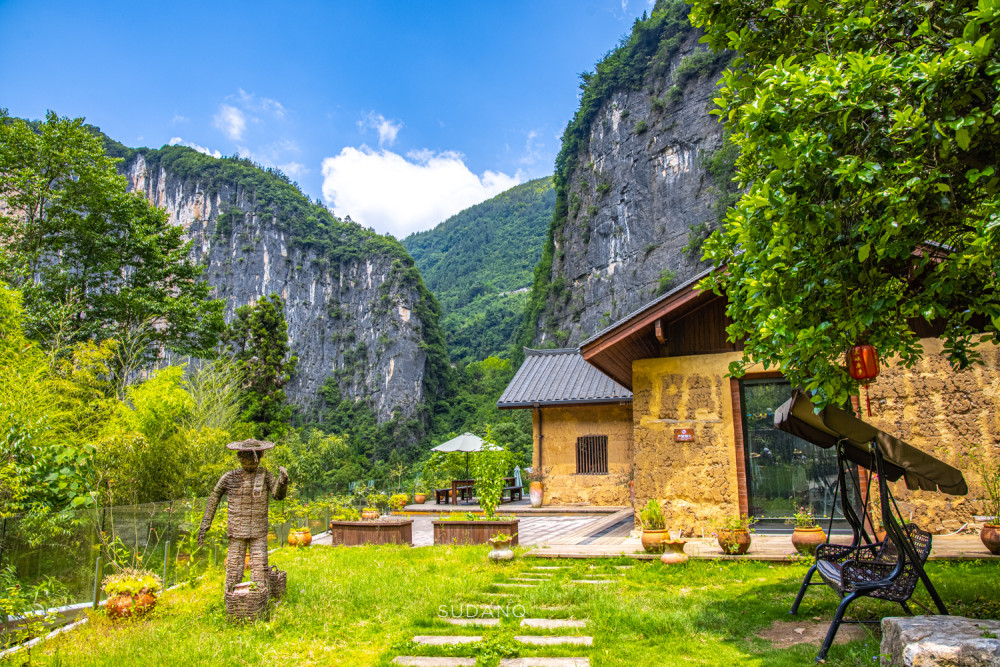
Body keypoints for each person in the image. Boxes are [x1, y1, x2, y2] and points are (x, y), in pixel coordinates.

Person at [198, 438, 289, 593]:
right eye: (247, 456)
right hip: (237, 531)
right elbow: (214, 497)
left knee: (260, 571)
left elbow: (277, 495)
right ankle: (232, 598)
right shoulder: (230, 477)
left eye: (255, 456)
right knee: (234, 568)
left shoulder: (265, 475)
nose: (252, 460)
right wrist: (205, 523)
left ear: (260, 456)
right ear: (240, 457)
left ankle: (259, 598)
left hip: (258, 531)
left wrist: (282, 482)